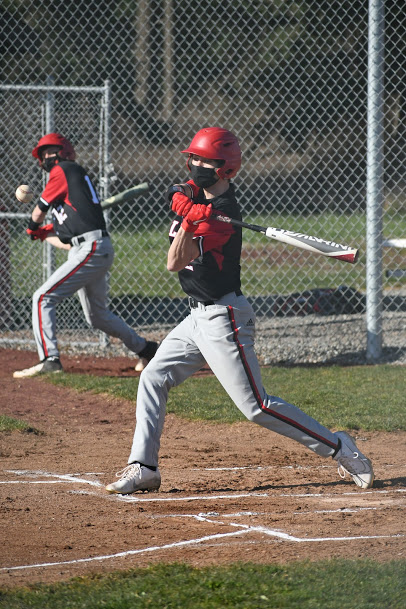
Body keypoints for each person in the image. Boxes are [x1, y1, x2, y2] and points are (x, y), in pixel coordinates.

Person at [106, 127, 374, 494]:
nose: (194, 165)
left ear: (225, 169)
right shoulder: (197, 194)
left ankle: (340, 446)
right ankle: (144, 467)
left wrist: (191, 221)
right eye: (193, 158)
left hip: (224, 318)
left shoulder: (224, 216)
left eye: (203, 161)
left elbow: (174, 262)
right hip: (195, 317)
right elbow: (176, 190)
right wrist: (183, 202)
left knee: (256, 406)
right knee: (153, 377)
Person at [13, 132, 157, 378]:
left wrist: (33, 226)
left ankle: (50, 359)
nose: (47, 157)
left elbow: (38, 211)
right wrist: (43, 234)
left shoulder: (64, 169)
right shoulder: (69, 193)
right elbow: (68, 242)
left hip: (92, 248)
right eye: (43, 154)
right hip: (88, 249)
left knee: (42, 297)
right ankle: (146, 348)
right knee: (97, 316)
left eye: (50, 151)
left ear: (63, 152)